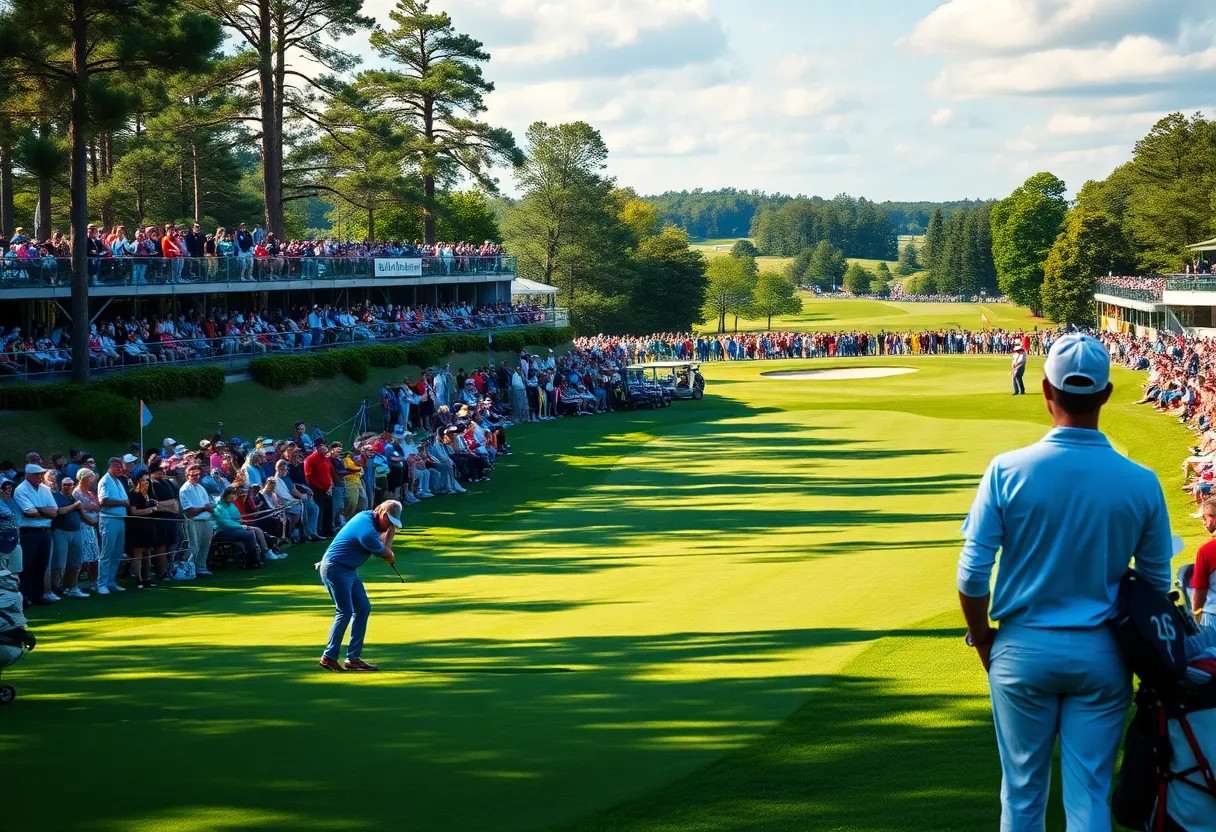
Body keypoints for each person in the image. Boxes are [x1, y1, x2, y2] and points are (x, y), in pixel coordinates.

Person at [957, 333, 1174, 831]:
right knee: (1090, 797)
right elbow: (1156, 586)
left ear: (1045, 390)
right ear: (1106, 393)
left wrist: (983, 638)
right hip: (1104, 652)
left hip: (1022, 648)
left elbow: (972, 572)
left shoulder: (1006, 470)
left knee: (1022, 796)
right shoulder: (1141, 481)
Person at [316, 500, 401, 672]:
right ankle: (328, 657)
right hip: (335, 568)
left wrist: (388, 530)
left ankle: (353, 659)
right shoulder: (368, 532)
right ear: (382, 514)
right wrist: (390, 537)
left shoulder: (367, 517)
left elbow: (383, 545)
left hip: (347, 569)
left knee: (363, 608)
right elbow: (387, 554)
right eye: (390, 522)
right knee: (345, 611)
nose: (390, 526)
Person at [14, 463, 57, 605]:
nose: (40, 477)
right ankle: (24, 597)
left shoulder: (45, 489)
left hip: (45, 531)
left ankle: (37, 595)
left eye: (40, 474)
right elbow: (29, 511)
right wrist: (45, 511)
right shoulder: (21, 490)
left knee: (41, 564)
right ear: (29, 476)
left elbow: (54, 510)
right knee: (27, 565)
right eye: (37, 474)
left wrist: (39, 510)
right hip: (29, 532)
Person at [96, 457, 129, 595]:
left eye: (121, 467)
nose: (120, 469)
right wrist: (122, 502)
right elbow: (103, 501)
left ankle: (111, 581)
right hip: (109, 519)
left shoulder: (118, 481)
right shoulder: (105, 481)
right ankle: (101, 584)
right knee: (107, 553)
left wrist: (124, 502)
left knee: (117, 552)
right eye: (117, 466)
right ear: (110, 466)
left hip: (120, 519)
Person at [50, 474, 87, 597]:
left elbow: (81, 512)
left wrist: (93, 521)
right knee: (59, 563)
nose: (69, 486)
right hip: (61, 532)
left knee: (75, 562)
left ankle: (72, 588)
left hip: (76, 531)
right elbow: (59, 511)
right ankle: (55, 588)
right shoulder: (56, 496)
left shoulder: (73, 497)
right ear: (61, 485)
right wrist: (75, 505)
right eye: (66, 484)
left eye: (71, 484)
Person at [178, 464, 215, 579]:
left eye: (198, 474)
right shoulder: (185, 489)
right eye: (194, 474)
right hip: (194, 521)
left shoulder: (201, 487)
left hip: (206, 520)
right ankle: (189, 569)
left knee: (205, 545)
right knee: (193, 546)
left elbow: (209, 506)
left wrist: (206, 508)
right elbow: (190, 511)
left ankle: (201, 567)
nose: (197, 477)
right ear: (187, 475)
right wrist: (204, 508)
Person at [1190, 498, 1216, 629]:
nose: (1203, 522)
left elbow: (1199, 591)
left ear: (1214, 518)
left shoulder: (1206, 551)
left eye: (1204, 518)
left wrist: (1195, 615)